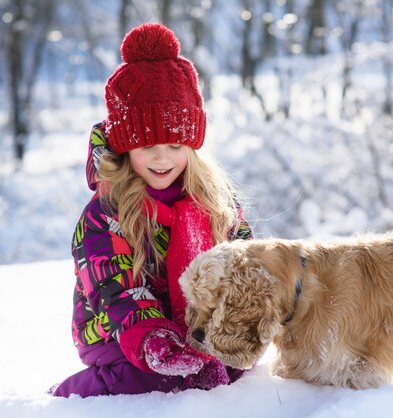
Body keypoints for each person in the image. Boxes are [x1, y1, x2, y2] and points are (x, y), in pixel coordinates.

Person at [51, 22, 253, 398]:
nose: (162, 159)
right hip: (118, 327)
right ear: (126, 147)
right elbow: (115, 289)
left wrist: (240, 322)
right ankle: (75, 395)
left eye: (175, 146)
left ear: (192, 147)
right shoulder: (105, 213)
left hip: (197, 327)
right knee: (154, 382)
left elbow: (244, 260)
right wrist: (154, 339)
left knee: (236, 370)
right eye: (147, 146)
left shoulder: (216, 202)